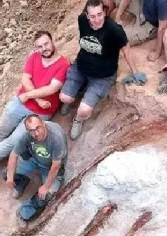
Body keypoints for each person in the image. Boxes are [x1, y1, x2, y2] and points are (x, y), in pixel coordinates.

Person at [0, 31, 70, 172]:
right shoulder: (34, 57)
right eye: (40, 46)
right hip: (22, 102)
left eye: (46, 44)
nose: (44, 48)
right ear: (36, 48)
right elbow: (25, 79)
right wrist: (36, 99)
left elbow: (52, 88)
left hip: (40, 112)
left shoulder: (63, 64)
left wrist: (29, 96)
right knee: (1, 130)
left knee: (15, 139)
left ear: (52, 41)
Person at [59, 0, 144, 140]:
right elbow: (85, 41)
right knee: (64, 98)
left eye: (100, 14)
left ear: (104, 12)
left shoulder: (114, 29)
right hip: (81, 67)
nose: (97, 19)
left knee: (84, 110)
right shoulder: (82, 20)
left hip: (103, 76)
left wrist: (135, 71)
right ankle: (74, 95)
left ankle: (78, 120)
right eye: (93, 16)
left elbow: (126, 50)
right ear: (87, 15)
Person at [3, 115, 67, 221]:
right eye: (31, 131)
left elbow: (56, 166)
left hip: (51, 167)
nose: (36, 134)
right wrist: (10, 178)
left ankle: (24, 212)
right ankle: (21, 183)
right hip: (34, 160)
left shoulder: (56, 137)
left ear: (43, 123)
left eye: (38, 128)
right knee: (7, 173)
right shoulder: (27, 136)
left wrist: (46, 186)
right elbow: (13, 155)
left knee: (45, 196)